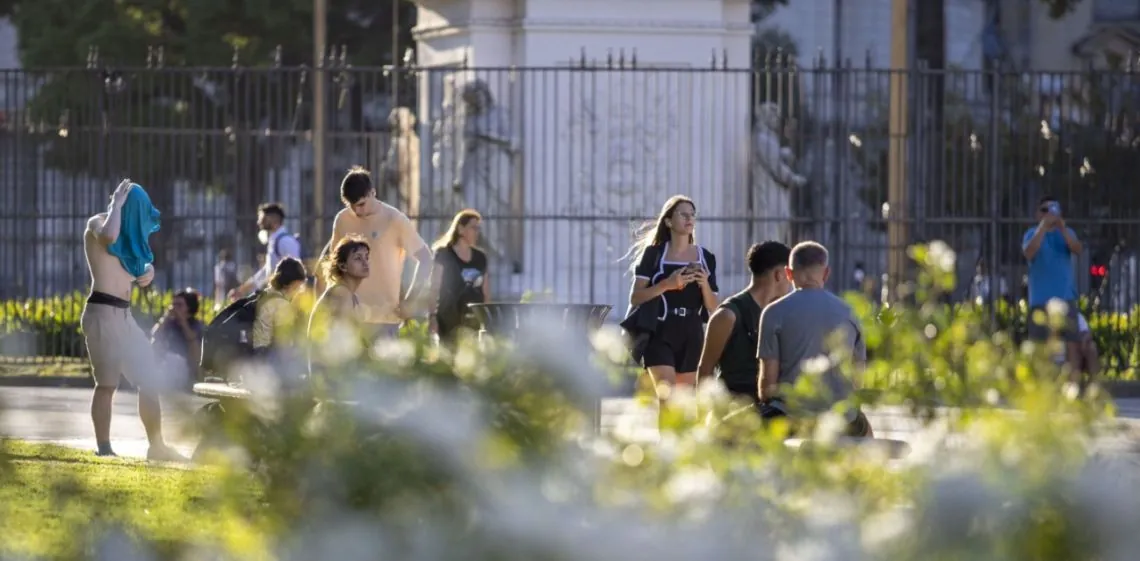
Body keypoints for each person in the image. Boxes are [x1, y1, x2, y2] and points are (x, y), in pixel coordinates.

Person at [80, 179, 185, 460]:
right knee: (107, 384)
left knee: (149, 379)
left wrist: (148, 270)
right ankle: (104, 449)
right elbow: (108, 238)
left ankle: (157, 447)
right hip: (102, 312)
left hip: (125, 316)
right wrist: (117, 203)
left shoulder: (131, 237)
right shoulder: (98, 222)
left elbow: (139, 269)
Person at [756, 241, 872, 437]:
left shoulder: (773, 313)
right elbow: (857, 382)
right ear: (826, 273)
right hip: (841, 419)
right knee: (867, 434)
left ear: (789, 273)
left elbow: (768, 388)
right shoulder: (851, 312)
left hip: (789, 417)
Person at [322, 167, 433, 338]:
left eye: (361, 204)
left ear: (372, 193)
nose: (357, 211)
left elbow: (425, 259)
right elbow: (334, 266)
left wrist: (410, 301)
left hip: (384, 320)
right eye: (351, 206)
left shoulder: (395, 219)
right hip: (348, 319)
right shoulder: (342, 219)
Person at [627, 195, 719, 392]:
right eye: (683, 214)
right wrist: (666, 284)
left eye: (693, 215)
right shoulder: (653, 254)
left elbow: (714, 307)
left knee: (684, 402)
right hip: (660, 330)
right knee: (666, 396)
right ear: (668, 221)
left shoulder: (706, 257)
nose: (689, 219)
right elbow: (635, 297)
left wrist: (703, 283)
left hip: (692, 332)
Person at [697, 241, 792, 403]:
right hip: (734, 413)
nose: (791, 281)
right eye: (790, 275)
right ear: (779, 275)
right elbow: (705, 370)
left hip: (771, 413)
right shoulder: (728, 315)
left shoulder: (780, 313)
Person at [1022, 196, 1083, 378]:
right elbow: (1029, 252)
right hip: (1040, 299)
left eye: (1052, 209)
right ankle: (1040, 389)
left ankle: (1073, 386)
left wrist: (1061, 227)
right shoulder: (1031, 233)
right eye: (1044, 210)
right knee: (1040, 347)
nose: (1048, 214)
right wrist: (1043, 227)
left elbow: (1077, 249)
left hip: (1065, 297)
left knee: (1072, 344)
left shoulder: (1066, 232)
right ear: (1037, 214)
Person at [308, 235, 371, 375]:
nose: (365, 262)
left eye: (366, 257)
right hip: (331, 374)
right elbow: (342, 341)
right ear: (342, 265)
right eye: (358, 258)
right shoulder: (341, 293)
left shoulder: (351, 295)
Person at [428, 209, 490, 344]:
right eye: (473, 228)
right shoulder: (443, 254)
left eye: (478, 228)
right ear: (461, 229)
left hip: (474, 321)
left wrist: (485, 319)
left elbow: (485, 292)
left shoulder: (481, 258)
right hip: (448, 320)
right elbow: (434, 287)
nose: (477, 232)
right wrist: (432, 317)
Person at [229, 202, 302, 301]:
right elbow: (265, 272)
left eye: (262, 218)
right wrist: (241, 290)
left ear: (273, 219)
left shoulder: (285, 241)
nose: (259, 222)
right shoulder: (274, 241)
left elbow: (297, 272)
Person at [252, 257, 309, 353]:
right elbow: (283, 345)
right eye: (298, 287)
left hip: (254, 354)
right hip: (266, 357)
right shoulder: (282, 305)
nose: (299, 291)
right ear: (288, 284)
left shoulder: (265, 294)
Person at [150, 288, 205, 385]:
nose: (175, 308)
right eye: (174, 304)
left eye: (179, 305)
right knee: (155, 342)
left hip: (186, 364)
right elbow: (155, 334)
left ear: (189, 307)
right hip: (168, 361)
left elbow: (192, 338)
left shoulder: (196, 324)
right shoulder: (169, 322)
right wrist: (165, 318)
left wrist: (183, 322)